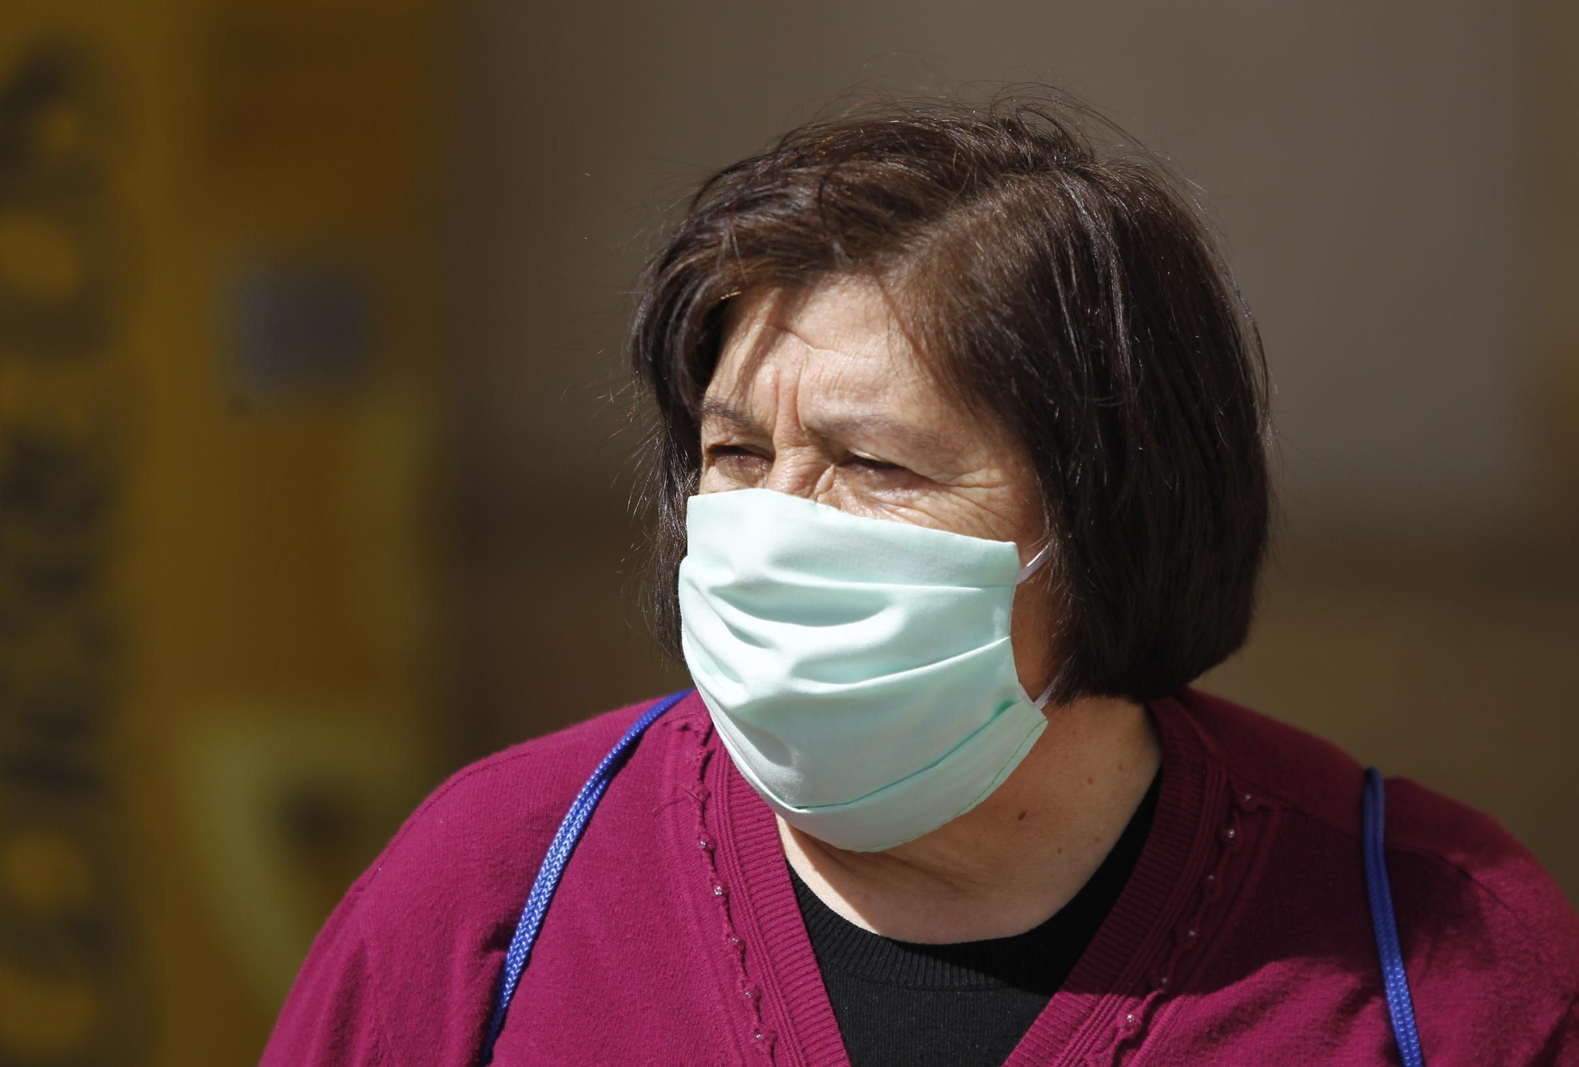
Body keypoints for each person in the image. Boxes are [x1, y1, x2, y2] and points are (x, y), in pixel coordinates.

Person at [261, 95, 1579, 1066]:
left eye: (870, 465)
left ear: (1105, 513)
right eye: (733, 451)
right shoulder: (497, 894)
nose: (772, 528)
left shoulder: (1433, 953)